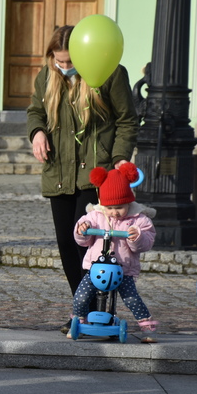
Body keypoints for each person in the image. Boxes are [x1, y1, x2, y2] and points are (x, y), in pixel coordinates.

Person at [26, 25, 138, 333]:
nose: (64, 67)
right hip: (59, 171)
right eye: (59, 61)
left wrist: (119, 158)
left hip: (97, 173)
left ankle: (93, 309)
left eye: (69, 61)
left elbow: (127, 119)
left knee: (85, 241)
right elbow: (35, 110)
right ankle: (83, 308)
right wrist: (37, 133)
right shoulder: (47, 75)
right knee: (65, 242)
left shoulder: (110, 73)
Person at [72, 162, 158, 343]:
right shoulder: (94, 216)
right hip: (96, 268)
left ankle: (147, 326)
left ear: (129, 202)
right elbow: (83, 239)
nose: (115, 213)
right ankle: (78, 320)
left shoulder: (139, 219)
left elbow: (147, 242)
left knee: (131, 298)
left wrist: (136, 236)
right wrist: (83, 229)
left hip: (124, 269)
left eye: (119, 207)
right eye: (110, 208)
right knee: (81, 295)